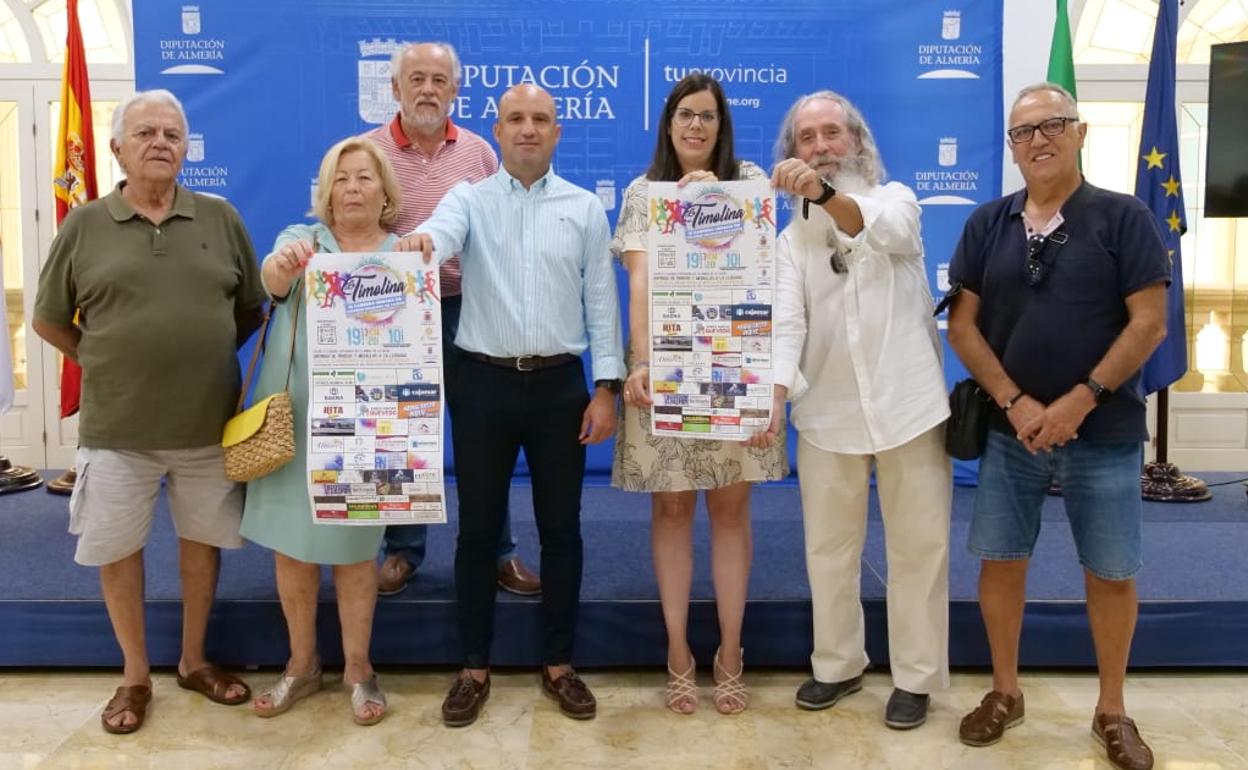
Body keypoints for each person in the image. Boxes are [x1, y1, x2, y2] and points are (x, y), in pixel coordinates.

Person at [946, 83, 1168, 770]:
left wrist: (1081, 399)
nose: (1037, 140)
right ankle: (1005, 693)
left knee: (1109, 573)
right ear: (1010, 146)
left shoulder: (1124, 218)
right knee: (1000, 563)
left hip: (1102, 434)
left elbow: (1149, 322)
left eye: (1052, 126)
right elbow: (962, 326)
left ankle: (1112, 710)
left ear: (1080, 132)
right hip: (1012, 435)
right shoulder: (989, 222)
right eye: (1022, 132)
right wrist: (1015, 402)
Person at [32, 89, 265, 734]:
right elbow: (48, 317)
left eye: (171, 133)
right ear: (117, 149)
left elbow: (249, 308)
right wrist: (103, 358)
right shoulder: (84, 225)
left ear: (187, 147)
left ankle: (193, 660)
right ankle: (134, 677)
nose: (160, 142)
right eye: (145, 133)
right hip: (118, 429)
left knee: (203, 544)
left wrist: (200, 350)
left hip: (206, 426)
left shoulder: (222, 219)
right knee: (117, 548)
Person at [402, 84, 625, 726]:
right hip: (483, 383)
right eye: (516, 120)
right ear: (496, 133)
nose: (528, 130)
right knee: (476, 533)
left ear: (558, 133)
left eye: (541, 120)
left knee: (562, 532)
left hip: (561, 389)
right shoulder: (466, 199)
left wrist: (605, 387)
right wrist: (420, 245)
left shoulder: (584, 208)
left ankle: (560, 664)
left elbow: (601, 304)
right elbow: (439, 234)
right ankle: (474, 667)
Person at [763, 90, 952, 730]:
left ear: (857, 142)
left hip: (910, 404)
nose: (820, 145)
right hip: (827, 413)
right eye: (807, 137)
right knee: (830, 549)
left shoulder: (896, 200)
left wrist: (822, 196)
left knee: (918, 549)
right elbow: (786, 322)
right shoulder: (789, 240)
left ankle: (917, 677)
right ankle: (838, 666)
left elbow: (886, 232)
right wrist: (776, 395)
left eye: (832, 133)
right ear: (792, 153)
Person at [612, 73, 788, 716]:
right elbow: (639, 283)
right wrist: (639, 363)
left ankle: (731, 652)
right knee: (674, 512)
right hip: (668, 372)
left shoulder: (753, 185)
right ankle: (680, 652)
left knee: (733, 512)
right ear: (668, 122)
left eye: (707, 116)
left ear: (722, 124)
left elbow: (770, 272)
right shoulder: (643, 193)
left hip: (734, 369)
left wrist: (725, 203)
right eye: (685, 115)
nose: (695, 126)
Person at [239, 136, 401, 725]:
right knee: (294, 547)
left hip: (368, 426)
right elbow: (272, 281)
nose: (353, 188)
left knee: (357, 551)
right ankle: (301, 665)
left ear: (385, 190)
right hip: (297, 421)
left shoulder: (401, 255)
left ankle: (359, 670)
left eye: (364, 177)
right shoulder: (302, 241)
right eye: (341, 179)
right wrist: (281, 267)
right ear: (325, 192)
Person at [368, 41, 539, 598]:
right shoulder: (366, 154)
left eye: (440, 80)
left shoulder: (477, 154)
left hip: (471, 310)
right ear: (395, 89)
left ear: (455, 91)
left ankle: (499, 552)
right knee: (400, 434)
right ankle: (401, 551)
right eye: (416, 79)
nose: (427, 90)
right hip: (393, 317)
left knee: (485, 435)